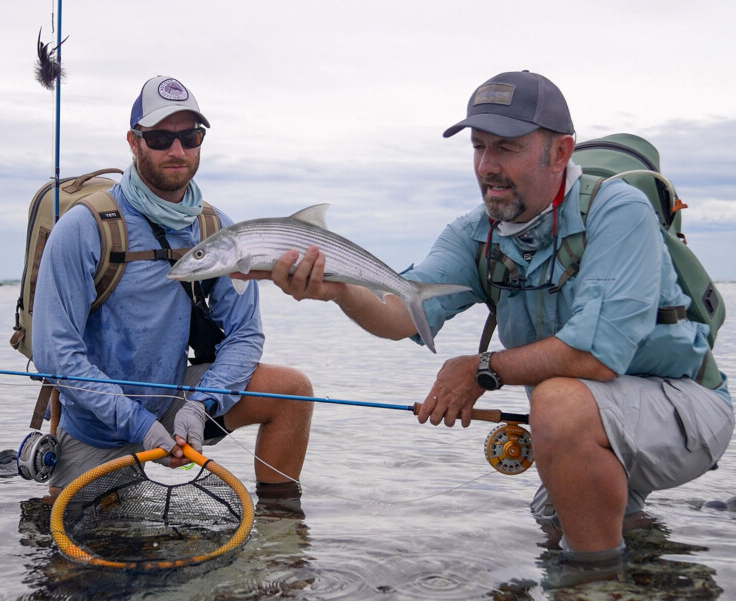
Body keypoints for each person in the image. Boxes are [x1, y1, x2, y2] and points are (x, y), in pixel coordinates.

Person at [238, 71, 734, 582]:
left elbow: (596, 357)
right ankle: (651, 567)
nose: (486, 167)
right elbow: (400, 313)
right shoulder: (476, 232)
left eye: (507, 148)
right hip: (595, 414)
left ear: (561, 153)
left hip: (686, 404)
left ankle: (595, 587)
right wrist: (339, 287)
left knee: (560, 411)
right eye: (478, 147)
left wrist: (482, 370)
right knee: (559, 520)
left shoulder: (618, 210)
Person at [32, 75, 314, 516]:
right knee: (70, 568)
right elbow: (57, 355)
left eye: (190, 136)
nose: (177, 151)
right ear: (134, 141)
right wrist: (138, 425)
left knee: (293, 392)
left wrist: (202, 405)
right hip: (96, 427)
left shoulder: (217, 229)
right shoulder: (84, 227)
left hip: (176, 402)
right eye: (162, 137)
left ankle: (281, 532)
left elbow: (245, 335)